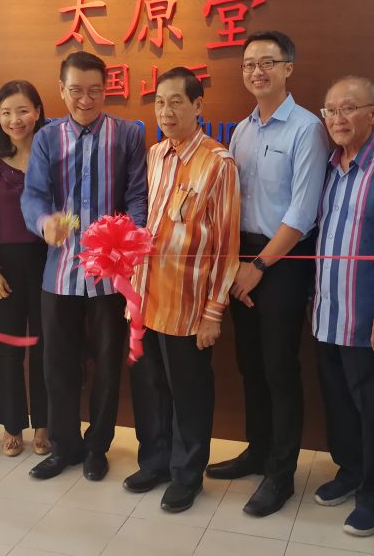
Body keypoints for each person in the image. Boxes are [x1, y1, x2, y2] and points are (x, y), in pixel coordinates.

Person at [206, 30, 330, 518]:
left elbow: (302, 212)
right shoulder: (241, 131)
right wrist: (238, 262)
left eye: (267, 62)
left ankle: (281, 473)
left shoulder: (307, 128)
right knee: (250, 364)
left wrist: (259, 266)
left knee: (279, 367)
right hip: (242, 259)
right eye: (249, 64)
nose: (257, 71)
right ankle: (257, 451)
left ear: (288, 69)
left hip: (283, 260)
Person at [21, 51, 147, 481]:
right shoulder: (47, 138)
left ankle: (97, 447)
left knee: (108, 366)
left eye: (95, 90)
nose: (85, 99)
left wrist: (129, 239)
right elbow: (34, 195)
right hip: (60, 273)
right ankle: (64, 447)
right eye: (76, 90)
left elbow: (137, 196)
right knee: (57, 365)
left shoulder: (127, 135)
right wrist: (44, 222)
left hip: (110, 277)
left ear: (107, 90)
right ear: (61, 90)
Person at [124, 67, 241, 513]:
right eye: (159, 102)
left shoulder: (218, 162)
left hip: (189, 305)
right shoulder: (155, 154)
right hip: (146, 298)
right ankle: (155, 463)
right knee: (151, 388)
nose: (166, 111)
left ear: (198, 106)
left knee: (189, 395)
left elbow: (227, 245)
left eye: (176, 101)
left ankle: (186, 475)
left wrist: (214, 312)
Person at [311, 76, 374, 536]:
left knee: (373, 409)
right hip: (326, 310)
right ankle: (350, 471)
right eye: (330, 111)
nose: (337, 119)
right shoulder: (329, 165)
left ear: (373, 114)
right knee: (338, 404)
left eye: (347, 109)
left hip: (367, 315)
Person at [0, 80, 49, 457]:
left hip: (49, 262)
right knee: (6, 349)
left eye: (22, 110)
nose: (14, 119)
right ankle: (12, 424)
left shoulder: (54, 155)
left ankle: (45, 423)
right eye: (6, 112)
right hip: (3, 266)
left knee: (46, 346)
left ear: (37, 112)